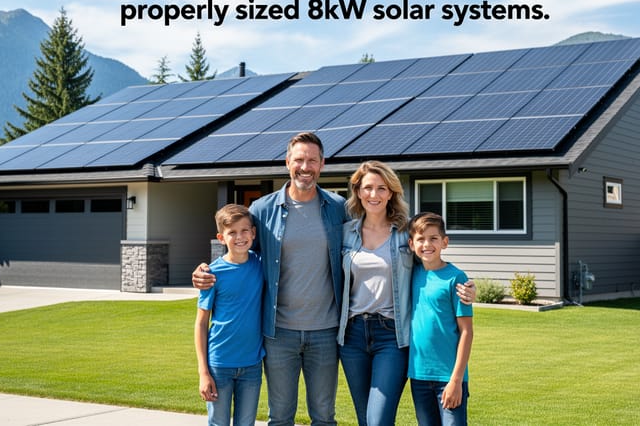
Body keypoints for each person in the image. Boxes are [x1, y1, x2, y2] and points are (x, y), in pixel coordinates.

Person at [193, 132, 347, 426]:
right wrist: (205, 269)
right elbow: (238, 250)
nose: (305, 166)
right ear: (288, 162)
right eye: (299, 159)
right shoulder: (262, 210)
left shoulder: (338, 208)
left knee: (325, 417)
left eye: (312, 160)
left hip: (326, 332)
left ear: (322, 164)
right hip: (278, 334)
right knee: (280, 417)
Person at [338, 161, 476, 426]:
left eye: (381, 188)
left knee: (378, 420)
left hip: (391, 335)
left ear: (391, 192)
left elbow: (434, 263)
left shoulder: (405, 233)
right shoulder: (345, 233)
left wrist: (469, 286)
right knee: (364, 419)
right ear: (357, 191)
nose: (374, 194)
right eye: (367, 188)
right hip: (352, 335)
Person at [195, 204, 264, 426]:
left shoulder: (261, 265)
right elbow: (201, 324)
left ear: (253, 233)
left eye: (245, 230)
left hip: (252, 365)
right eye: (232, 232)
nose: (240, 237)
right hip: (219, 365)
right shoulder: (212, 274)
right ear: (221, 238)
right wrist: (203, 373)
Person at [406, 212, 474, 426]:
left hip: (449, 377)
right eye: (420, 239)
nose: (427, 244)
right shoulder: (410, 273)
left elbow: (466, 332)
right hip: (418, 375)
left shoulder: (456, 278)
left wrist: (456, 380)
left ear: (445, 242)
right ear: (411, 244)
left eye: (433, 238)